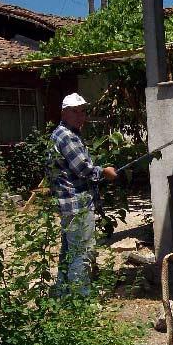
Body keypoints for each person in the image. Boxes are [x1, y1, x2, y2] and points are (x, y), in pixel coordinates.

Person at [47, 93, 117, 295]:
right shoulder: (67, 137)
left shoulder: (61, 133)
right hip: (76, 204)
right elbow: (83, 168)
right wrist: (104, 171)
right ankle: (80, 299)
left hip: (69, 204)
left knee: (69, 251)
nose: (80, 116)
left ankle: (63, 293)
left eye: (83, 111)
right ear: (64, 113)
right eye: (75, 112)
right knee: (82, 252)